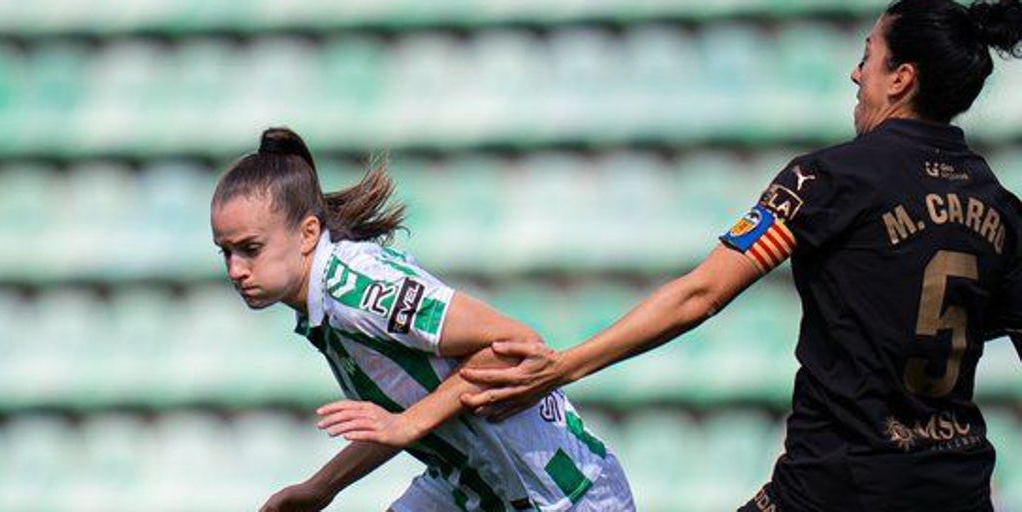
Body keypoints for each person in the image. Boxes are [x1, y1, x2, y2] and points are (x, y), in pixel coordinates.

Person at [458, 0, 1022, 510]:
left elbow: (700, 296)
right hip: (960, 491)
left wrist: (564, 365)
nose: (855, 73)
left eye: (867, 57)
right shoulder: (1001, 207)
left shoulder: (828, 179)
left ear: (900, 79)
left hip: (839, 486)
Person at [209, 127, 633, 512]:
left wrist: (407, 423)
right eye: (225, 251)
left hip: (566, 494)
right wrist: (323, 487)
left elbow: (516, 345)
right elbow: (404, 413)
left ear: (307, 234)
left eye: (250, 248)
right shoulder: (322, 310)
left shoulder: (359, 292)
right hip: (473, 484)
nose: (235, 270)